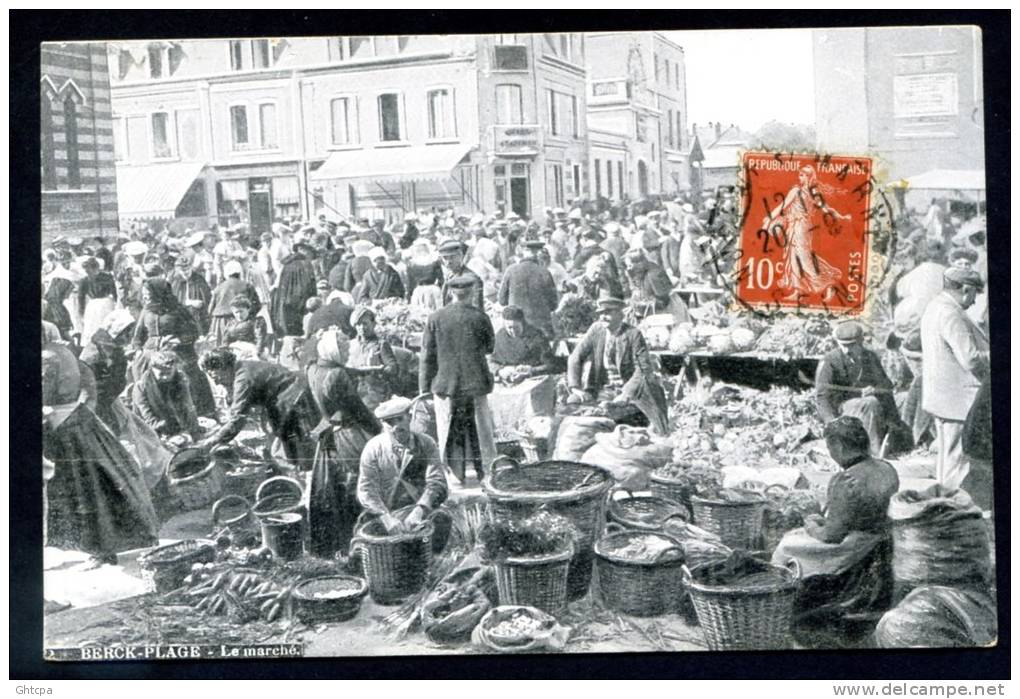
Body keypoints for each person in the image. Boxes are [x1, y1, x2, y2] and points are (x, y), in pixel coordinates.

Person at [772, 416, 900, 648]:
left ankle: (779, 600)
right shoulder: (886, 468)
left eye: (830, 447)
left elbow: (832, 535)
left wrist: (811, 524)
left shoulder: (845, 479)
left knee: (787, 544)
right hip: (883, 540)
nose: (830, 452)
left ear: (839, 446)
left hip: (855, 547)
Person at [43, 341, 159, 566]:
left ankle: (100, 549)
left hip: (65, 429)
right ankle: (101, 548)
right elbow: (87, 382)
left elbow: (44, 395)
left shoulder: (47, 358)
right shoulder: (63, 351)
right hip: (79, 422)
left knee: (86, 492)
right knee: (98, 487)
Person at [305, 330, 382, 558]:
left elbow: (333, 378)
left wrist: (356, 372)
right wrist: (378, 430)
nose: (348, 353)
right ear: (335, 351)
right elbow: (357, 408)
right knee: (360, 482)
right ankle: (359, 540)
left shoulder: (313, 368)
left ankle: (331, 544)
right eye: (345, 350)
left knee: (329, 488)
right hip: (347, 435)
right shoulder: (338, 375)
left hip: (327, 432)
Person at [920, 267, 990, 499]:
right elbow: (969, 358)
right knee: (958, 460)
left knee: (947, 457)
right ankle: (952, 509)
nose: (974, 301)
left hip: (943, 396)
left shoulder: (935, 307)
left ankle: (944, 504)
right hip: (958, 399)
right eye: (974, 295)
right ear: (966, 289)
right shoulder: (950, 313)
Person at [419, 274, 497, 482]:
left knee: (448, 430)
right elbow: (490, 347)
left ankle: (455, 476)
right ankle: (486, 475)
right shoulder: (480, 317)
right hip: (475, 383)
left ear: (451, 293)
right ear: (471, 293)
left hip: (445, 384)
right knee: (480, 432)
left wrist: (423, 388)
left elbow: (427, 356)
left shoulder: (435, 318)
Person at [197, 348, 318, 469]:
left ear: (224, 367)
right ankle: (299, 467)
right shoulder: (241, 367)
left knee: (295, 443)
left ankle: (304, 471)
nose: (217, 383)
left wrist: (214, 440)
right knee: (283, 438)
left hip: (292, 398)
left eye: (217, 378)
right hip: (288, 395)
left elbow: (238, 418)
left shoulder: (243, 378)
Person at [566, 295, 670, 434]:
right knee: (571, 406)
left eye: (608, 312)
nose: (603, 317)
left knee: (613, 416)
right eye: (601, 313)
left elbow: (643, 369)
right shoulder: (597, 329)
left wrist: (626, 394)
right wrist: (576, 388)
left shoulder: (633, 334)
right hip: (603, 389)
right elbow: (575, 357)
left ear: (620, 314)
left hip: (631, 391)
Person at [356, 397, 449, 546]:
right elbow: (366, 489)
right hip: (384, 512)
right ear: (382, 424)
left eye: (400, 419)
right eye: (389, 422)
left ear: (410, 417)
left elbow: (437, 482)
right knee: (362, 542)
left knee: (441, 525)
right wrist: (386, 518)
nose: (396, 427)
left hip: (418, 510)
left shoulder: (426, 443)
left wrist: (420, 509)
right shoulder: (373, 448)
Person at [815, 321, 912, 457]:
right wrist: (831, 423)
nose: (847, 350)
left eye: (852, 345)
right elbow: (822, 396)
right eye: (843, 346)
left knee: (905, 397)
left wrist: (875, 389)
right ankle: (873, 454)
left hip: (870, 403)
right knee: (870, 403)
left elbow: (886, 384)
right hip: (842, 407)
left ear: (861, 342)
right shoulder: (830, 361)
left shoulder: (869, 357)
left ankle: (906, 441)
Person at [764, 165, 852, 301]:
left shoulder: (811, 193)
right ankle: (798, 290)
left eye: (803, 175)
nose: (800, 178)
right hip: (793, 226)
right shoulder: (796, 190)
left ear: (809, 177)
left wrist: (841, 216)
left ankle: (828, 285)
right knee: (793, 257)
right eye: (800, 175)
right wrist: (769, 218)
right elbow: (784, 206)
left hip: (802, 227)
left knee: (805, 259)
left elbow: (826, 208)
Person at [132, 277, 217, 418]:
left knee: (184, 373)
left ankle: (190, 414)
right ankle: (149, 415)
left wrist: (178, 340)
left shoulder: (178, 310)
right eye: (144, 294)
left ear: (158, 293)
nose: (145, 297)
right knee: (140, 372)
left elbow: (193, 332)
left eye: (148, 294)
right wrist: (138, 349)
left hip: (177, 350)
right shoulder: (146, 311)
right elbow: (137, 335)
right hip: (150, 351)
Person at [131, 348, 203, 443]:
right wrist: (168, 435)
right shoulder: (141, 386)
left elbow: (188, 406)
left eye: (169, 373)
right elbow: (148, 417)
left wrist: (193, 430)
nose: (165, 377)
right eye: (161, 374)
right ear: (152, 369)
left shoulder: (180, 378)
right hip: (151, 429)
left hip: (174, 424)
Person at [78, 309, 133, 431]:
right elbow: (90, 387)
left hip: (109, 400)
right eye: (126, 333)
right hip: (95, 403)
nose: (129, 337)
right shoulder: (95, 353)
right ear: (115, 331)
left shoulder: (113, 348)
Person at [499, 238, 559, 338]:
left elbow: (502, 300)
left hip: (517, 325)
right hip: (541, 327)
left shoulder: (511, 270)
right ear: (538, 254)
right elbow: (553, 304)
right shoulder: (544, 272)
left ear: (522, 252)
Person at [347, 305, 401, 411]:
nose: (362, 327)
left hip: (376, 393)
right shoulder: (351, 345)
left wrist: (379, 369)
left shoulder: (381, 344)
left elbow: (393, 368)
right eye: (358, 324)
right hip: (356, 393)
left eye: (365, 323)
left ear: (373, 324)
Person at [489, 305, 555, 382]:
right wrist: (499, 371)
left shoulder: (536, 336)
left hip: (533, 379)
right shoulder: (499, 337)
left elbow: (550, 364)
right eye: (509, 327)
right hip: (507, 380)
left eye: (516, 327)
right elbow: (491, 362)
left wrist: (531, 370)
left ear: (522, 323)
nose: (513, 331)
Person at [208, 260, 261, 347]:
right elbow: (256, 305)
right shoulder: (247, 285)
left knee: (221, 349)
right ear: (240, 273)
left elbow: (210, 309)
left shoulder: (219, 287)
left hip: (219, 322)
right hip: (239, 320)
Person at [271, 242, 319, 337]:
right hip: (299, 305)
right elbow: (308, 286)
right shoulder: (305, 264)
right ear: (305, 252)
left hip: (285, 303)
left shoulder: (287, 264)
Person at [77, 257, 118, 346]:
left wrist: (116, 304)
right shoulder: (84, 280)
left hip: (104, 304)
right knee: (93, 327)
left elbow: (114, 292)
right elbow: (81, 298)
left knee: (104, 325)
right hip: (95, 305)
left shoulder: (106, 277)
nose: (88, 272)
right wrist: (81, 312)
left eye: (90, 269)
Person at [623, 248, 674, 318]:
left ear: (639, 263)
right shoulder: (637, 273)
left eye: (630, 265)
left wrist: (641, 305)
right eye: (627, 266)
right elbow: (637, 293)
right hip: (648, 311)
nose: (628, 269)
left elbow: (664, 301)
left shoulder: (653, 274)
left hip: (667, 312)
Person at [170, 254, 213, 334]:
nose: (186, 272)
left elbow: (207, 297)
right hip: (181, 315)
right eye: (183, 270)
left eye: (188, 269)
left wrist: (202, 303)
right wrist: (188, 302)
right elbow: (172, 300)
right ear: (179, 270)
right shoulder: (175, 281)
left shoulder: (199, 279)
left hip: (198, 315)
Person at [437, 240, 484, 309]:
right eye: (445, 258)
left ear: (460, 256)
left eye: (452, 257)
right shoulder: (450, 275)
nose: (448, 261)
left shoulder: (470, 278)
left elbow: (476, 308)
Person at [43, 276, 77, 345]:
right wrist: (72, 341)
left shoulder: (52, 304)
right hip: (57, 340)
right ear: (62, 290)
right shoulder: (56, 307)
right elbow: (63, 330)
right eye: (68, 291)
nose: (69, 295)